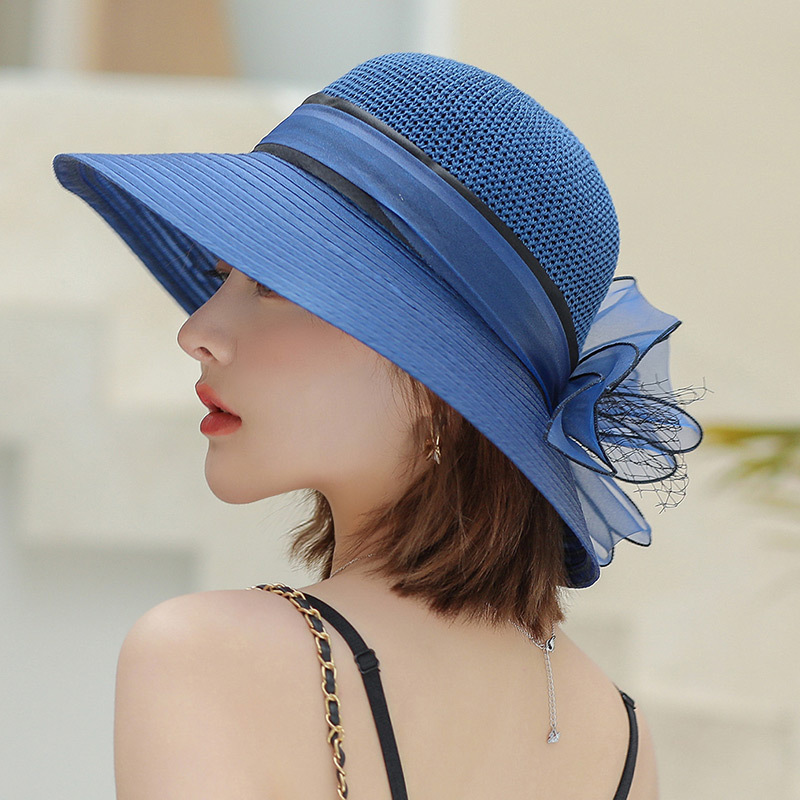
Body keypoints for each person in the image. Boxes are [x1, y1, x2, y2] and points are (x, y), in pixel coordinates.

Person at [53, 52, 702, 799]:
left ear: (437, 382)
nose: (196, 331)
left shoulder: (206, 656)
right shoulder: (620, 739)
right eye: (218, 276)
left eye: (273, 285)